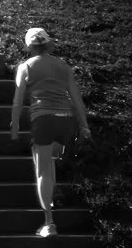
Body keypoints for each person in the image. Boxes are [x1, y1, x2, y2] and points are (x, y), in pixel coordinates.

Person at [9, 28, 90, 236]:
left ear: (28, 46)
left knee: (42, 169)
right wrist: (84, 126)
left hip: (43, 119)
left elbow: (18, 101)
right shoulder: (63, 66)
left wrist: (15, 126)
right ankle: (53, 195)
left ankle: (48, 222)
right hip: (66, 121)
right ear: (49, 44)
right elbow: (77, 100)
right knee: (50, 160)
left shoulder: (26, 66)